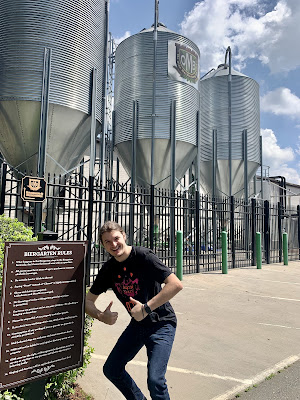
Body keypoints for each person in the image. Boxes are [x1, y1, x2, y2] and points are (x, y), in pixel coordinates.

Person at [85, 221, 183, 400]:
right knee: (112, 369)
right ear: (103, 245)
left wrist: (146, 308)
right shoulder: (108, 269)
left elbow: (175, 284)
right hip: (138, 325)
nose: (114, 245)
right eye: (107, 242)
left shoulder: (144, 256)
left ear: (124, 236)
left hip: (162, 322)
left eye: (116, 238)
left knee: (155, 380)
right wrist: (100, 315)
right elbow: (88, 301)